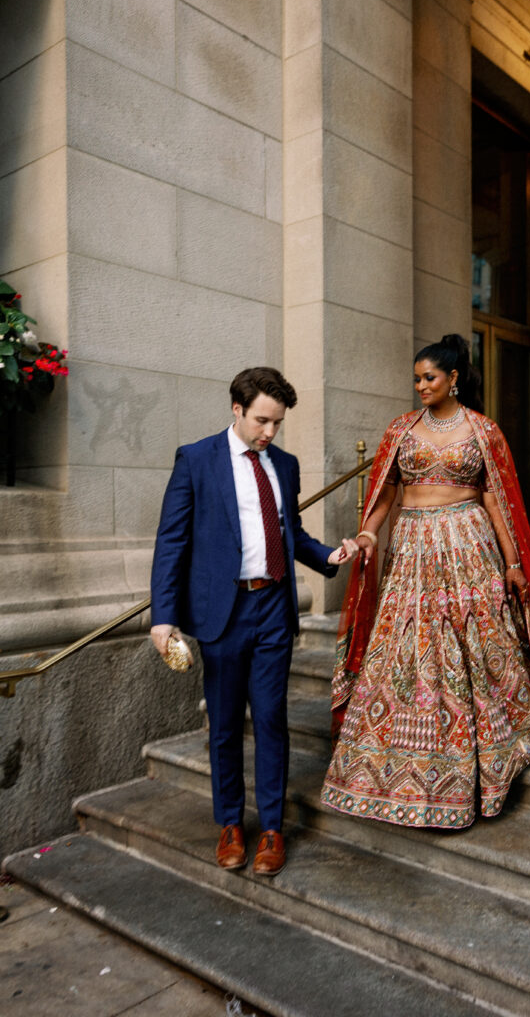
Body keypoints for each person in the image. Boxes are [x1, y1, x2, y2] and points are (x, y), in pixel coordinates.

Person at [321, 335, 530, 829]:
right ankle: (391, 766)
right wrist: (368, 535)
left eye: (429, 378)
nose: (420, 387)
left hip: (467, 544)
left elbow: (496, 500)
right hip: (411, 548)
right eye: (416, 379)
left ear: (453, 379)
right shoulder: (401, 430)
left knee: (470, 644)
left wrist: (512, 562)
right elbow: (386, 493)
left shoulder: (483, 431)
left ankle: (476, 755)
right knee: (405, 648)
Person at [151, 367, 358, 875]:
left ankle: (270, 829)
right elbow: (172, 541)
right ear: (237, 409)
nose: (269, 432)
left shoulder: (283, 465)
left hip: (272, 608)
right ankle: (228, 823)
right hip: (223, 612)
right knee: (224, 726)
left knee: (269, 720)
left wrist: (329, 556)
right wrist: (163, 617)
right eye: (263, 420)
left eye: (278, 423)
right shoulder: (197, 460)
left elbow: (293, 533)